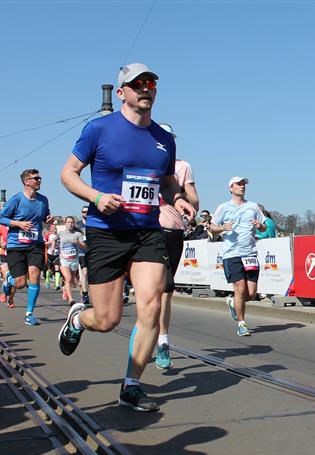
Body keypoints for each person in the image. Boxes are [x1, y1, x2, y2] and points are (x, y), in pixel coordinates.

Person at [58, 62, 194, 412]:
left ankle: (131, 385)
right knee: (107, 320)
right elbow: (68, 174)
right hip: (106, 232)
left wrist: (178, 198)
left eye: (151, 83)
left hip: (147, 230)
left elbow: (166, 182)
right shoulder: (98, 129)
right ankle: (78, 318)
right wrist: (96, 197)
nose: (146, 88)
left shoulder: (164, 139)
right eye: (138, 84)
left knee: (152, 305)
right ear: (121, 93)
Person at [155, 123, 199, 371]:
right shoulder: (143, 162)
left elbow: (195, 201)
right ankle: (157, 340)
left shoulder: (182, 166)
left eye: (168, 138)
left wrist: (181, 194)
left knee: (166, 291)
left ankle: (158, 339)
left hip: (175, 232)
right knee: (158, 289)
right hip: (150, 231)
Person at [210, 176, 266, 336]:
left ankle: (232, 302)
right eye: (239, 184)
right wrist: (222, 228)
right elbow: (212, 228)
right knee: (240, 288)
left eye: (243, 184)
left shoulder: (253, 206)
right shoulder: (223, 208)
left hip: (250, 254)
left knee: (251, 294)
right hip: (232, 254)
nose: (242, 186)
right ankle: (242, 324)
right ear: (231, 188)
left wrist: (260, 225)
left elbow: (263, 227)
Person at [0, 168, 52, 326]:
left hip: (35, 244)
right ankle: (9, 280)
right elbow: (0, 218)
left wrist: (48, 220)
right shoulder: (16, 200)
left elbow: (45, 216)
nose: (39, 180)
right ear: (27, 182)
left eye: (39, 178)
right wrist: (18, 223)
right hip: (16, 245)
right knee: (20, 283)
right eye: (36, 178)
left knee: (35, 276)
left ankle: (29, 314)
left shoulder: (43, 200)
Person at [57, 216, 87, 306]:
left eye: (72, 222)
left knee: (73, 282)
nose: (70, 224)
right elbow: (52, 241)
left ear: (74, 224)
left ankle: (65, 288)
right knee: (68, 278)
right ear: (65, 224)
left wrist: (78, 242)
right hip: (64, 260)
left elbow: (85, 246)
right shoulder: (61, 233)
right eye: (68, 222)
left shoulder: (78, 234)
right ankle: (71, 299)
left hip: (74, 259)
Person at [0, 223, 16, 307]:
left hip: (16, 255)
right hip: (4, 255)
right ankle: (4, 292)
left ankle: (11, 299)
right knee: (6, 276)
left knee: (15, 278)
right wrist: (0, 244)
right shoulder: (2, 227)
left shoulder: (18, 226)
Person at [75, 206, 90, 305]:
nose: (86, 213)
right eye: (84, 212)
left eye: (87, 212)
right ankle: (85, 294)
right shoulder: (78, 224)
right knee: (84, 273)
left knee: (91, 274)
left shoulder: (93, 223)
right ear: (82, 213)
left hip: (92, 251)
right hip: (82, 251)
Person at [44, 224, 61, 290]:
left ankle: (56, 284)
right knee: (49, 269)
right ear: (50, 229)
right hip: (50, 254)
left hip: (57, 254)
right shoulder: (48, 235)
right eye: (53, 227)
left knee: (57, 268)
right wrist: (50, 242)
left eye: (55, 228)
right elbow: (43, 243)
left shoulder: (59, 235)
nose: (54, 229)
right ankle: (47, 281)